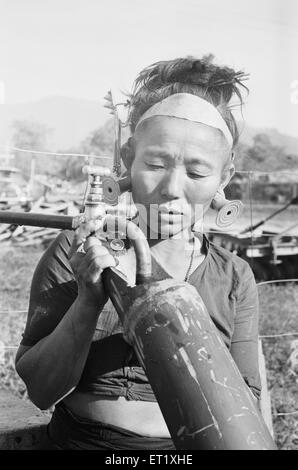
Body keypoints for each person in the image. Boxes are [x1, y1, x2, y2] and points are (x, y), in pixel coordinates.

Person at [15, 55, 261, 450]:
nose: (172, 188)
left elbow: (248, 405)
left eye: (197, 173)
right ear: (128, 160)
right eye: (155, 163)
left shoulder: (232, 277)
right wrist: (87, 301)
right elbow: (41, 391)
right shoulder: (80, 250)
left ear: (224, 178)